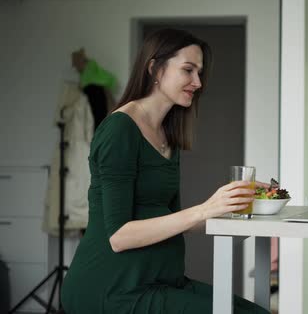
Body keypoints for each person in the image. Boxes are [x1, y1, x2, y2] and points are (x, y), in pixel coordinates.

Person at [61, 28, 270, 314]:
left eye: (199, 72)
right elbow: (119, 236)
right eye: (188, 70)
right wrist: (203, 209)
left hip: (161, 282)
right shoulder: (120, 130)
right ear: (154, 68)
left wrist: (228, 206)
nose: (197, 82)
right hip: (113, 287)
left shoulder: (166, 136)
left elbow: (175, 219)